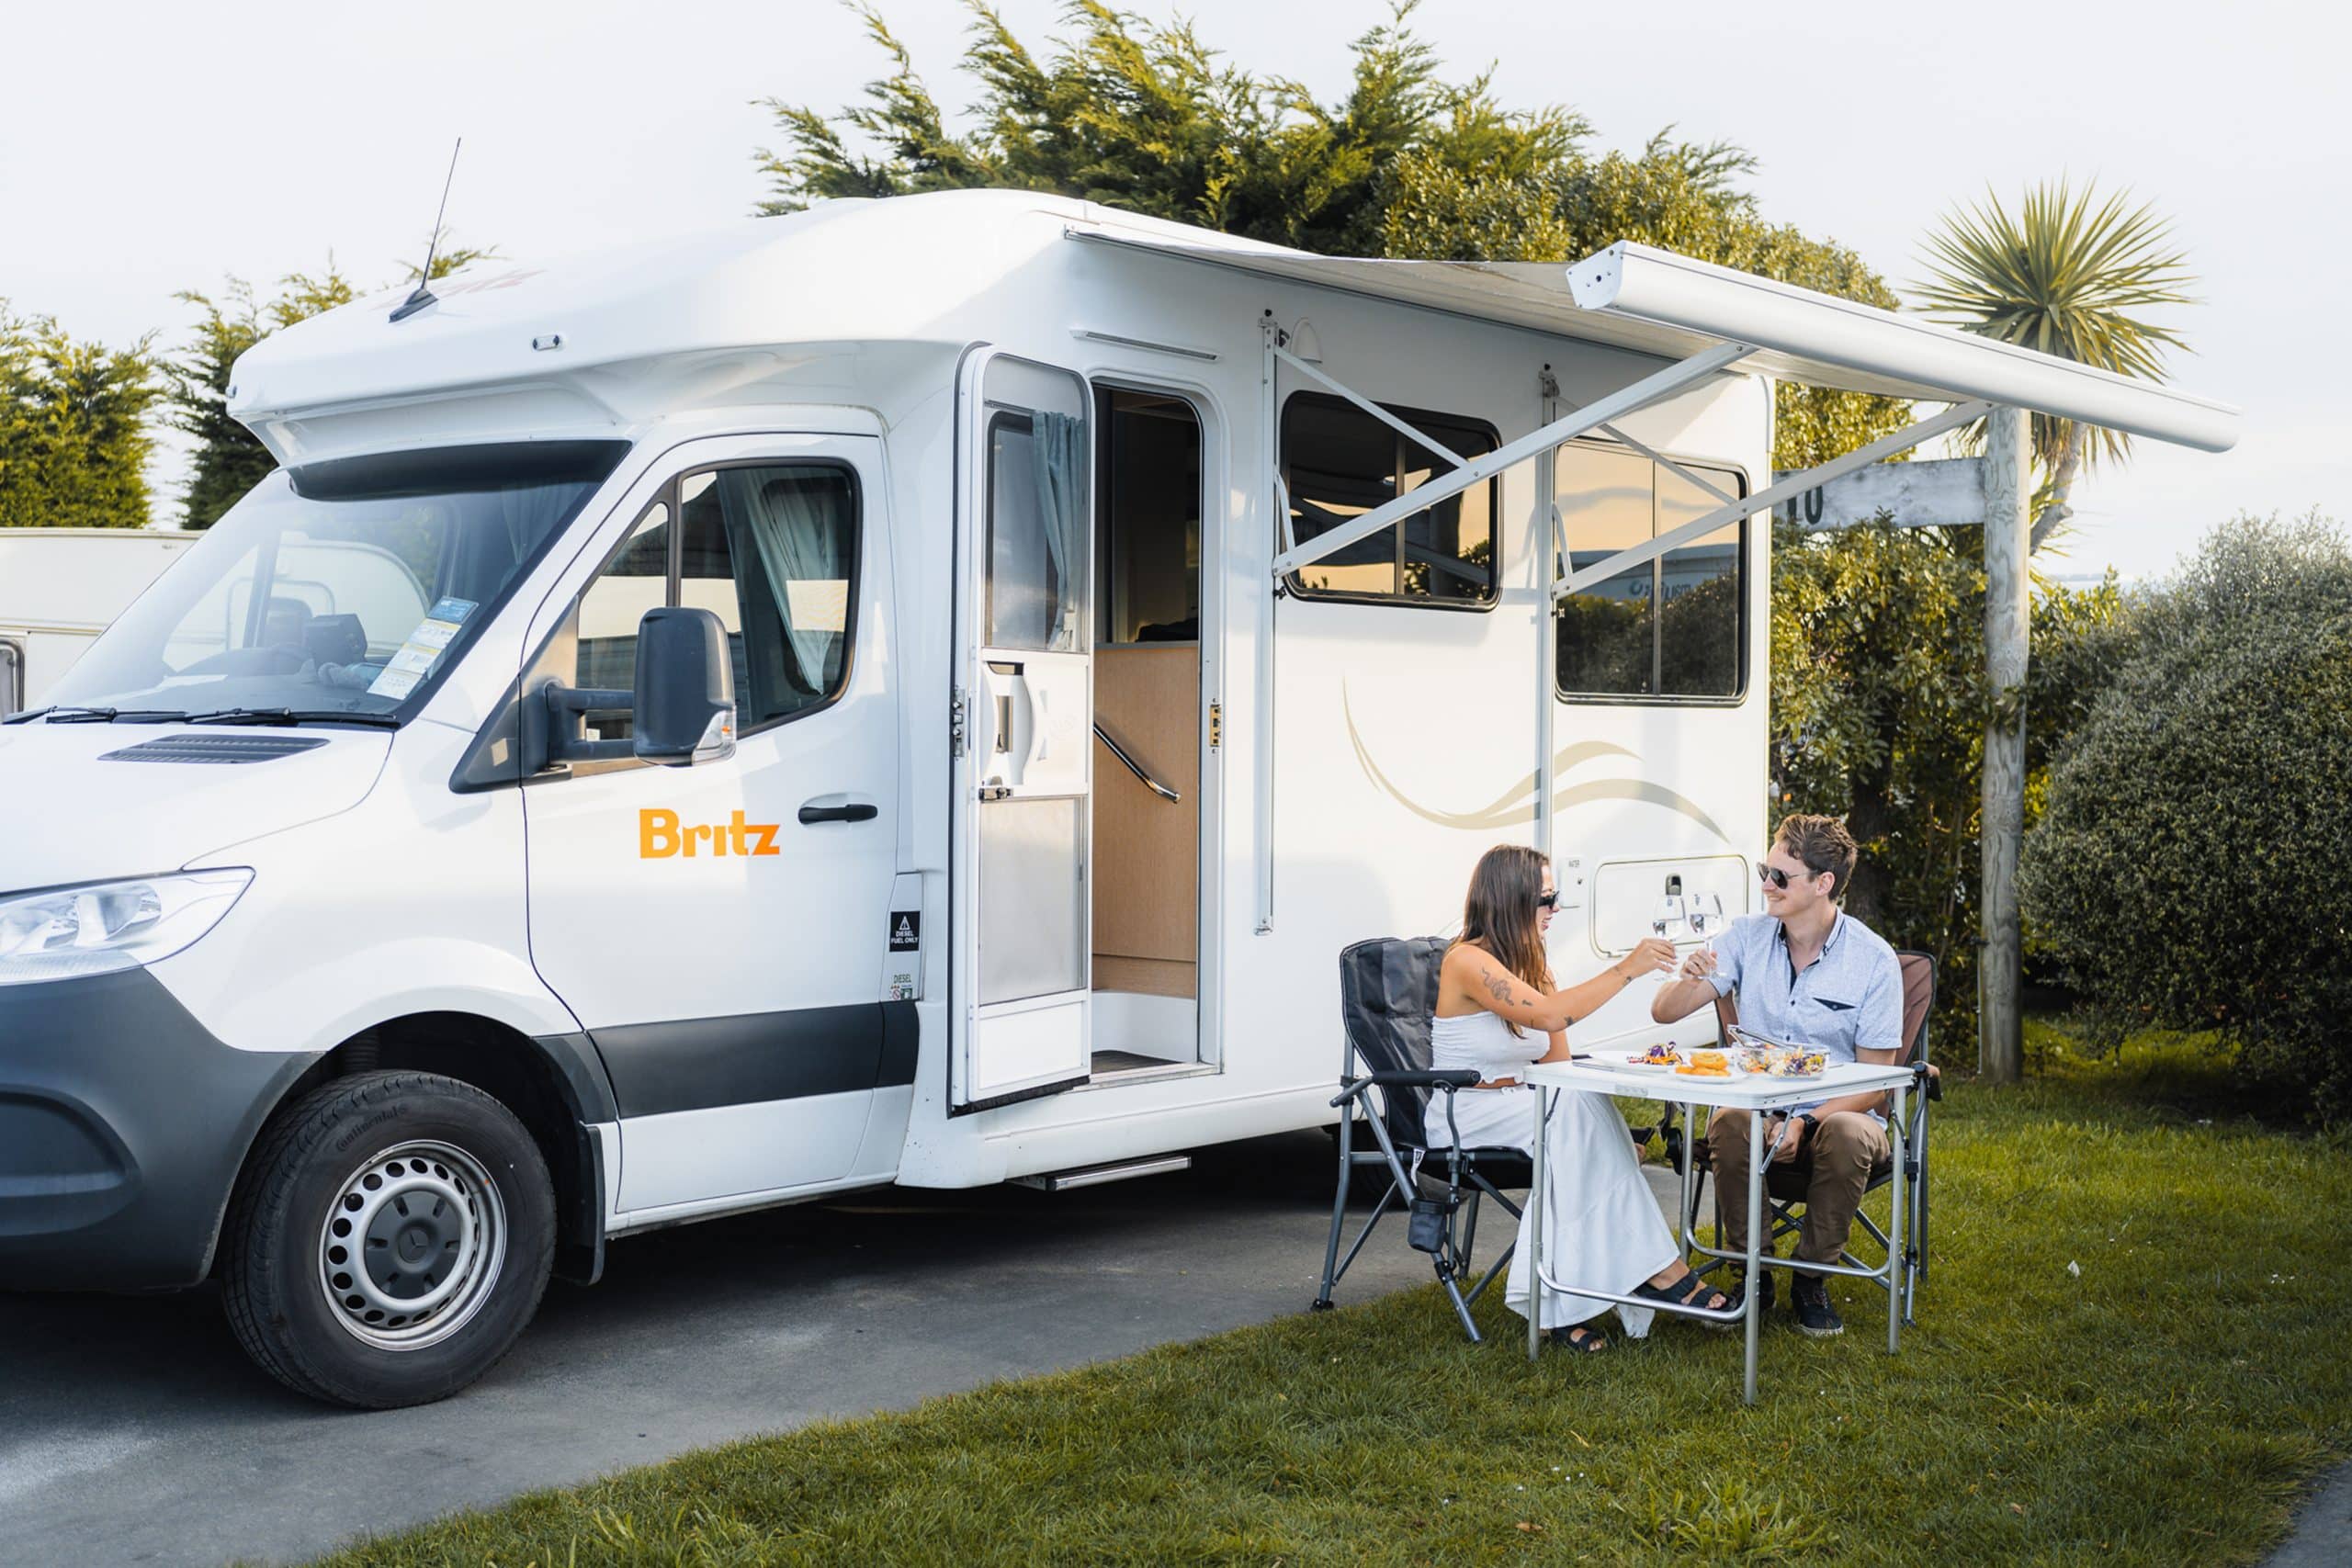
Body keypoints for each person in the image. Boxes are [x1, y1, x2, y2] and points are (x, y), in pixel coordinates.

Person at [1433, 844, 1732, 1352]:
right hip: (1468, 1110)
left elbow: (1560, 1066)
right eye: (1545, 897)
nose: (1555, 908)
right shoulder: (1466, 961)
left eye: (1556, 896)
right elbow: (1551, 1017)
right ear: (1511, 898)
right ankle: (1661, 1271)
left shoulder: (1533, 965)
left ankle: (1564, 1303)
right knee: (1575, 1122)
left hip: (1528, 1108)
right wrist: (1626, 970)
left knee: (1582, 1104)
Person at [1650, 814, 1905, 1338]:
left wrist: (1806, 1121)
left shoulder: (1873, 961)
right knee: (1730, 1120)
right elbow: (1664, 1014)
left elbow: (1877, 1084)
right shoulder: (1746, 937)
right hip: (1759, 1107)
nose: (1765, 883)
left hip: (1841, 1116)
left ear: (1823, 883)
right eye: (1767, 870)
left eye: (1780, 876)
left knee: (1847, 1131)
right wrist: (1689, 976)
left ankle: (1812, 1275)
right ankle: (1755, 1272)